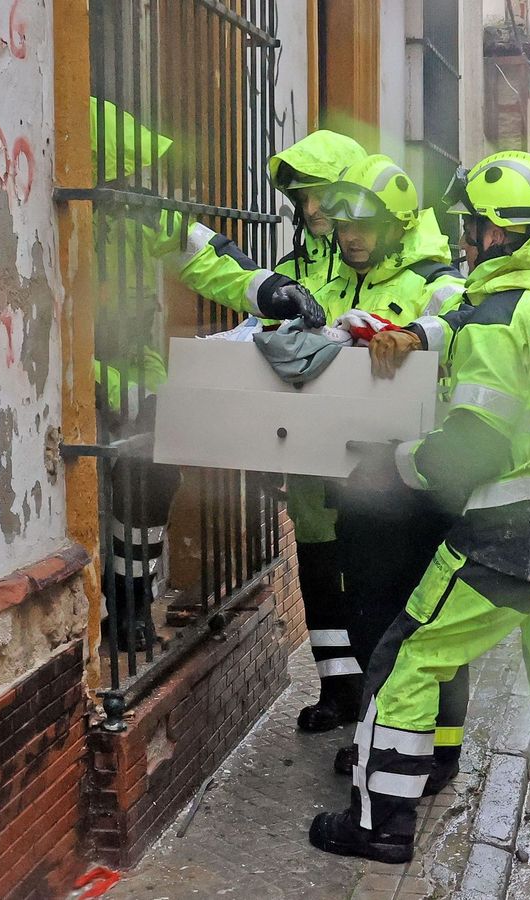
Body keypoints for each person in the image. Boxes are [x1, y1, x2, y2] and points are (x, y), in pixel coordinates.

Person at [307, 151, 530, 890]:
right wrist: (416, 334)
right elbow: (475, 325)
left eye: (471, 227)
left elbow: (475, 447)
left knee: (407, 656)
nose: (462, 238)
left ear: (497, 234)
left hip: (512, 534)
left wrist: (394, 464)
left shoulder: (502, 317)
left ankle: (377, 826)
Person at [164, 128, 371, 729]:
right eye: (303, 199)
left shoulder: (387, 263)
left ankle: (376, 696)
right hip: (307, 453)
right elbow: (258, 348)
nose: (311, 212)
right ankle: (337, 687)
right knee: (316, 563)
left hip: (371, 462)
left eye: (322, 197)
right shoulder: (288, 271)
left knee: (365, 572)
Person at [307, 153, 470, 785]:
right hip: (360, 478)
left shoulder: (437, 277)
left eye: (366, 224)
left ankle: (438, 752)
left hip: (424, 482)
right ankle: (386, 740)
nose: (351, 235)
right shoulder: (343, 284)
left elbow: (462, 322)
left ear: (399, 223)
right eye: (344, 224)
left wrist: (413, 333)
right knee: (370, 617)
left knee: (429, 622)